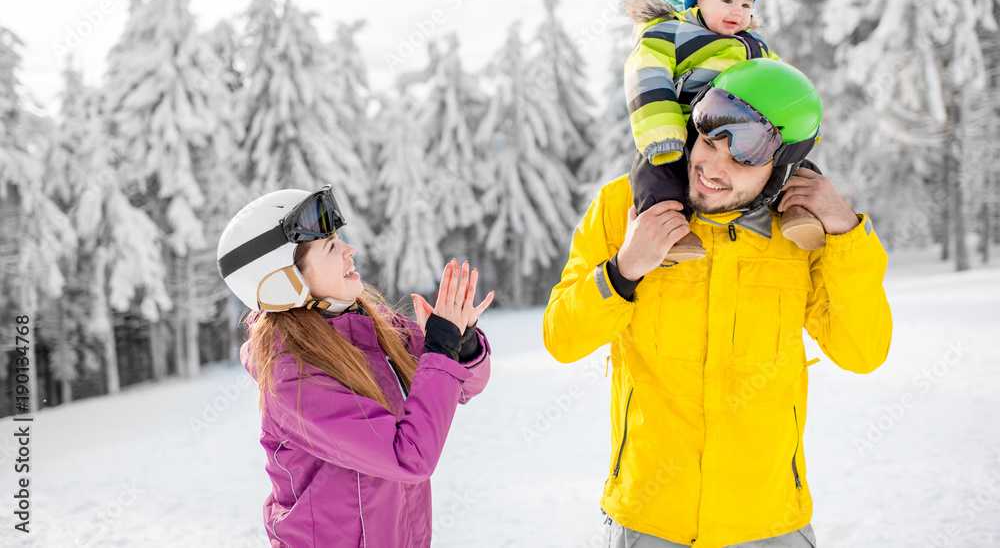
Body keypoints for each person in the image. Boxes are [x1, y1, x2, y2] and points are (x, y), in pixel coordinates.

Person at [544, 59, 893, 548]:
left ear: (783, 167)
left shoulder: (802, 235)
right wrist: (624, 269)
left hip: (769, 524)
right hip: (649, 520)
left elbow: (863, 351)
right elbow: (561, 338)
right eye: (708, 142)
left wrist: (846, 234)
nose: (711, 169)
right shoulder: (623, 208)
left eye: (743, 160)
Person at [216, 185, 493, 547]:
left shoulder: (369, 325)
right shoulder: (292, 377)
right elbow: (409, 457)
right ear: (285, 282)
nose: (351, 250)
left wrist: (462, 342)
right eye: (331, 246)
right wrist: (442, 349)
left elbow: (462, 386)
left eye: (339, 238)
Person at [624, 0, 825, 263]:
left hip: (749, 133)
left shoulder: (753, 46)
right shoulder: (669, 33)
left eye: (747, 4)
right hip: (686, 128)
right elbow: (646, 74)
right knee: (657, 175)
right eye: (728, 0)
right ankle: (669, 234)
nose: (739, 11)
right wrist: (662, 130)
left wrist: (796, 120)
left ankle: (798, 212)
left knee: (796, 163)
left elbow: (780, 80)